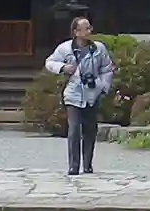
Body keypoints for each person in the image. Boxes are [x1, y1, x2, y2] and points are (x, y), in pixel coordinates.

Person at [44, 13, 114, 176]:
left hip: (93, 93)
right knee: (74, 129)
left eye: (90, 27)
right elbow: (50, 62)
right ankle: (73, 166)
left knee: (90, 129)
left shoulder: (98, 48)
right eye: (86, 28)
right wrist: (63, 68)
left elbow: (107, 69)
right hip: (73, 93)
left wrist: (103, 87)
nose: (89, 31)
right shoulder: (65, 48)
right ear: (76, 32)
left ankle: (88, 164)